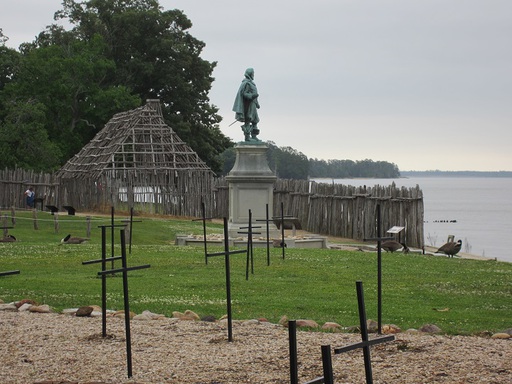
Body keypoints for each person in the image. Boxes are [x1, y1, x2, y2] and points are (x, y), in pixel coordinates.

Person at [232, 68, 261, 142]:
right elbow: (244, 94)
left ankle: (254, 136)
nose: (253, 74)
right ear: (250, 73)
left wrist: (257, 103)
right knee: (248, 119)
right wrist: (252, 96)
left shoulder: (251, 83)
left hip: (253, 104)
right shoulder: (246, 83)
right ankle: (247, 137)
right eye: (253, 73)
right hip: (249, 105)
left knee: (255, 120)